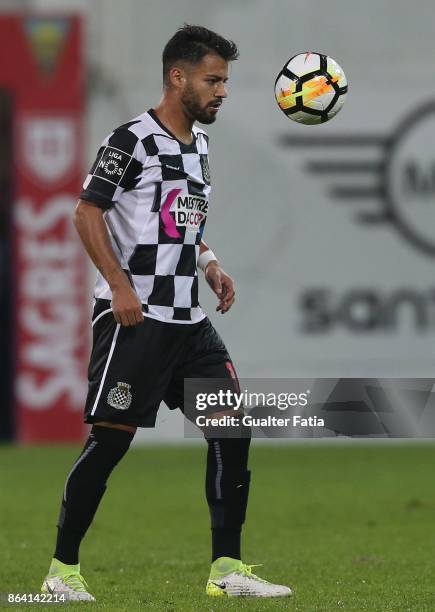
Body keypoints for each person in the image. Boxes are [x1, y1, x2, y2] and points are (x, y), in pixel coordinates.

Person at [41, 24, 291, 600]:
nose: (222, 91)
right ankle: (62, 572)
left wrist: (211, 264)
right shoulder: (131, 139)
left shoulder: (199, 145)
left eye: (224, 81)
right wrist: (118, 284)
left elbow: (185, 222)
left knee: (232, 430)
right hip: (136, 320)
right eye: (213, 80)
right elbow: (86, 212)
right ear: (177, 77)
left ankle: (226, 570)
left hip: (189, 323)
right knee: (110, 441)